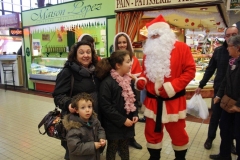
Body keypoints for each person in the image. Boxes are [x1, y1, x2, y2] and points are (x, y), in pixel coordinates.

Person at [135, 15, 196, 160]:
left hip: (173, 101)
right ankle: (154, 157)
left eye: (158, 34)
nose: (155, 38)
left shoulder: (182, 48)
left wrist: (172, 87)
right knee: (151, 133)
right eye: (152, 36)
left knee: (178, 133)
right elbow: (145, 71)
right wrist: (141, 80)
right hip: (152, 102)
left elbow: (190, 71)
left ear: (166, 33)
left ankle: (180, 158)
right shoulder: (148, 52)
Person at [52, 41, 99, 160]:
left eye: (88, 52)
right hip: (74, 122)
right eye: (81, 52)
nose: (85, 55)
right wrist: (68, 104)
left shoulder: (94, 71)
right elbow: (58, 95)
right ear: (75, 55)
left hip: (91, 120)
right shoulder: (68, 72)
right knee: (74, 152)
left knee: (90, 150)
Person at [195, 26, 238, 152]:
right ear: (225, 37)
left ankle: (229, 143)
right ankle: (210, 138)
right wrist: (201, 85)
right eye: (228, 35)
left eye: (234, 34)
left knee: (230, 120)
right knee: (215, 117)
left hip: (234, 94)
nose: (231, 37)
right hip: (219, 90)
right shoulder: (219, 51)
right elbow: (210, 69)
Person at [96, 50, 139, 160]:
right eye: (128, 61)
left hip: (127, 123)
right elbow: (106, 106)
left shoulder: (129, 80)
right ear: (118, 65)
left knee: (125, 147)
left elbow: (133, 100)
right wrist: (122, 120)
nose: (131, 64)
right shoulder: (107, 83)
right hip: (113, 125)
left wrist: (134, 113)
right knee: (112, 149)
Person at [209, 35, 240, 160]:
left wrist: (238, 106)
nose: (227, 49)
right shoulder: (232, 61)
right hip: (228, 104)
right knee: (224, 130)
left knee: (238, 134)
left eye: (230, 47)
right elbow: (224, 81)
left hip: (237, 106)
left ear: (238, 48)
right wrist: (218, 95)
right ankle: (224, 155)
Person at [113, 32, 143, 149]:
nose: (122, 45)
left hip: (130, 90)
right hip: (117, 91)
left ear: (128, 43)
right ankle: (120, 143)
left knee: (131, 114)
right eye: (119, 42)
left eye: (124, 42)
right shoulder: (113, 58)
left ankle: (131, 139)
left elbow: (138, 77)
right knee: (120, 116)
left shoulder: (134, 59)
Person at [62, 92, 106, 160]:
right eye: (83, 107)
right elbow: (75, 148)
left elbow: (100, 129)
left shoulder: (94, 121)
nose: (87, 110)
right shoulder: (74, 128)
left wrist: (101, 138)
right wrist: (93, 146)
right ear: (76, 110)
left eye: (89, 106)